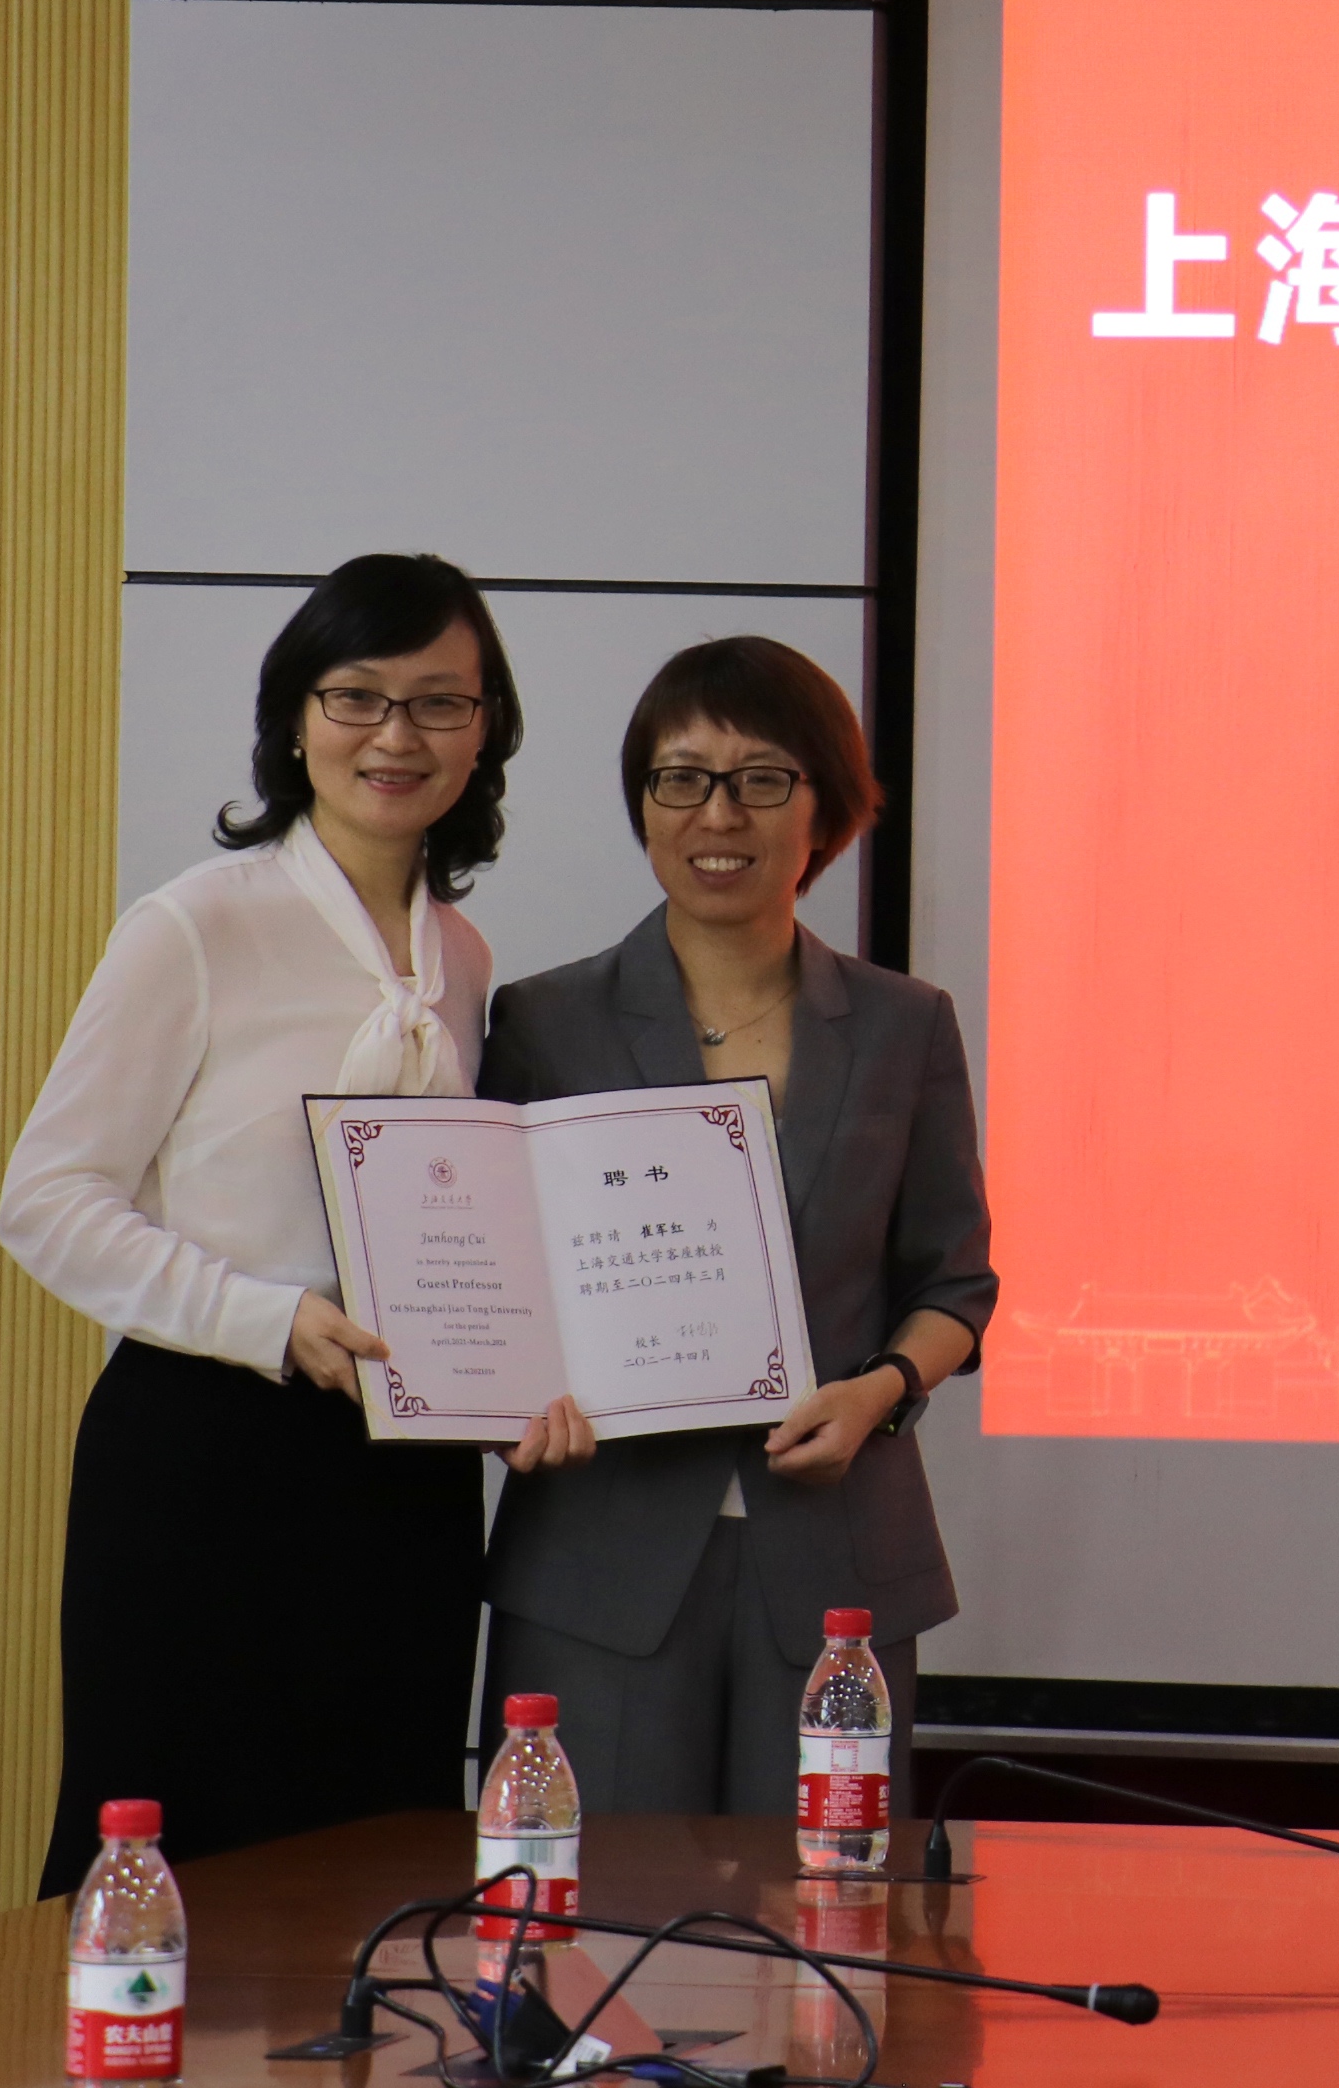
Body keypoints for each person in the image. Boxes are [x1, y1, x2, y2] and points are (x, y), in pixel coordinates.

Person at [0, 552, 566, 1891]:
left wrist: (512, 1380)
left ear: (484, 731)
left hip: (403, 1477)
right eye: (356, 696)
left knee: (375, 1858)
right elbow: (48, 1200)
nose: (396, 736)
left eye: (439, 702)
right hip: (207, 1451)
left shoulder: (463, 958)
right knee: (178, 1855)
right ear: (295, 718)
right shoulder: (195, 926)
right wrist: (270, 1321)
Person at [478, 637, 996, 1812]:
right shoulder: (546, 1022)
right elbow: (492, 1276)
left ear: (825, 808)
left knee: (821, 1904)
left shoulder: (906, 1025)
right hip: (600, 1553)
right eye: (682, 777)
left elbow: (955, 1284)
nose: (719, 813)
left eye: (762, 778)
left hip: (836, 1552)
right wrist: (505, 1400)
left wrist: (878, 1392)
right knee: (592, 1903)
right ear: (644, 802)